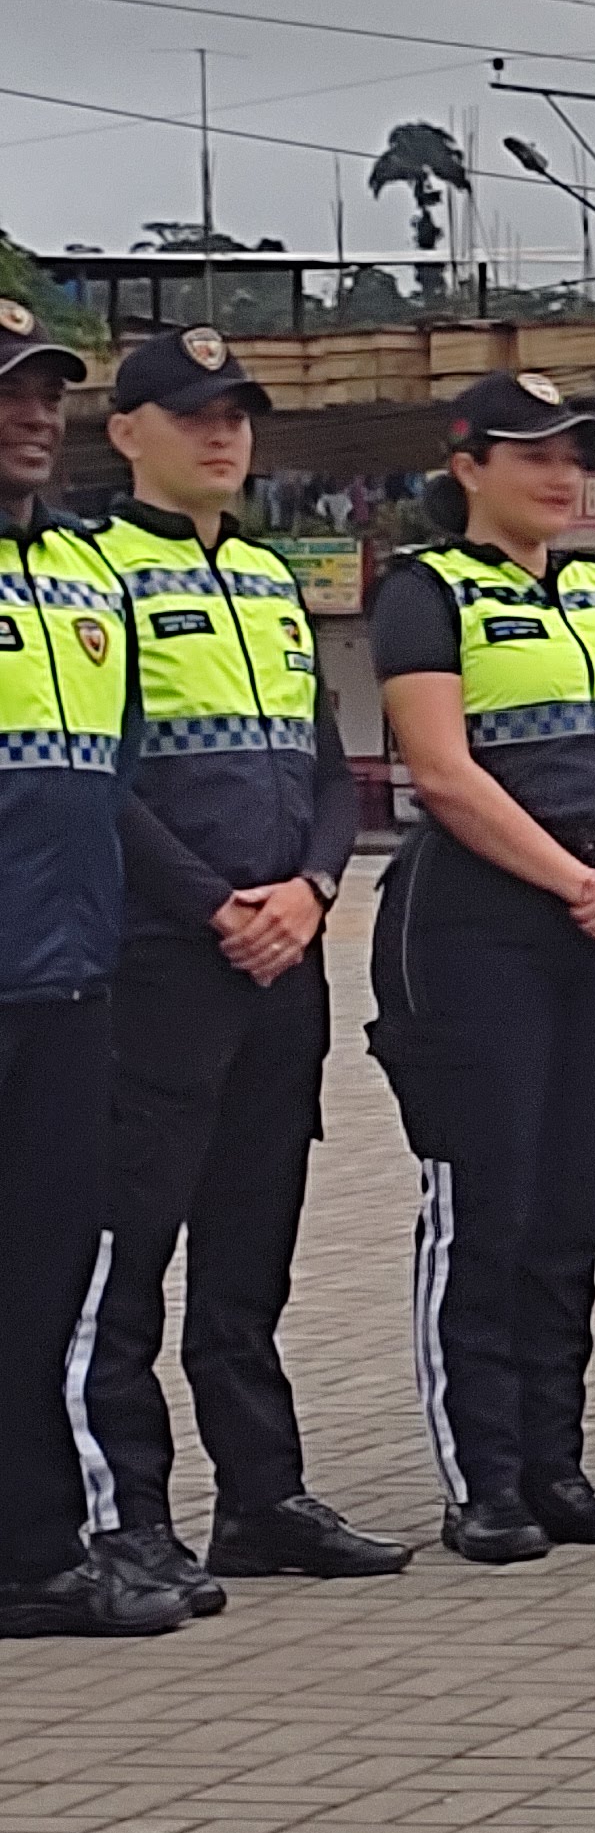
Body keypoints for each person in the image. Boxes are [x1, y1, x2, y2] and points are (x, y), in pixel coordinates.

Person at [85, 329, 407, 1607]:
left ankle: (261, 1497)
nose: (222, 436)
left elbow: (328, 763)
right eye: (193, 415)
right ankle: (130, 1515)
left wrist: (316, 886)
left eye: (236, 416)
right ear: (128, 433)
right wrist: (213, 902)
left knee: (251, 1248)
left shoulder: (273, 577)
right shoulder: (93, 571)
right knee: (131, 1253)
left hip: (284, 959)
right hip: (163, 958)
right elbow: (97, 777)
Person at [367, 370, 595, 1562]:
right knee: (489, 1203)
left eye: (573, 455)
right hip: (482, 925)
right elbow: (443, 773)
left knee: (574, 1204)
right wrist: (576, 882)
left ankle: (555, 1464)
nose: (562, 476)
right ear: (468, 468)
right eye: (533, 454)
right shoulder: (425, 592)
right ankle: (484, 1481)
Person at [0, 303, 182, 1638]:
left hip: (66, 982)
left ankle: (36, 1556)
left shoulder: (84, 572)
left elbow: (109, 770)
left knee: (47, 1280)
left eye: (44, 394)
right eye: (7, 394)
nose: (30, 416)